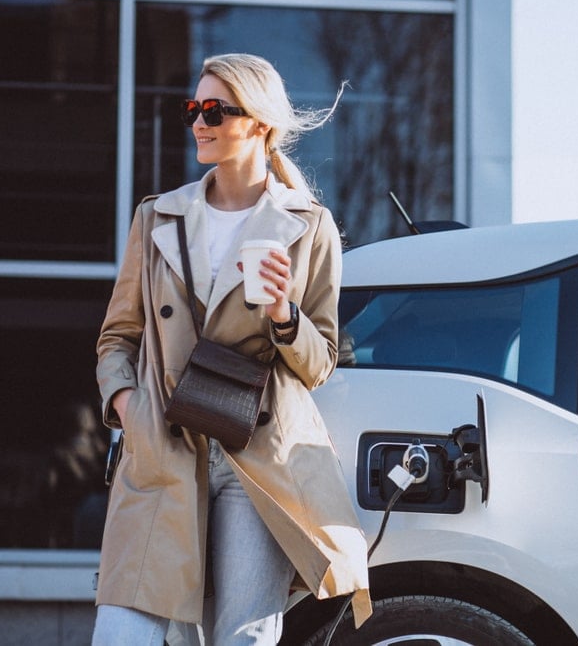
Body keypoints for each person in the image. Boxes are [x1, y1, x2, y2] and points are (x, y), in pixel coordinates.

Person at [92, 53, 371, 645]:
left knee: (241, 639)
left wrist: (281, 313)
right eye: (194, 108)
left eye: (216, 109)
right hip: (164, 448)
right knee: (124, 632)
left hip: (256, 459)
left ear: (260, 124)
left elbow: (320, 363)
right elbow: (119, 336)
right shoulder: (157, 216)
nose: (199, 122)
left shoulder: (308, 226)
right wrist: (128, 408)